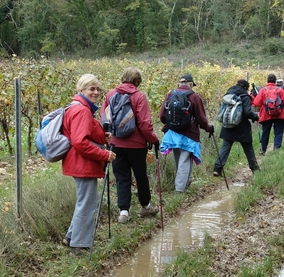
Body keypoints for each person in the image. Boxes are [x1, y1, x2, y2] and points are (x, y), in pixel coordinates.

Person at [62, 74, 115, 256]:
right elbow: (80, 142)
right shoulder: (82, 111)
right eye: (91, 88)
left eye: (97, 89)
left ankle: (71, 237)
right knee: (87, 205)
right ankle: (79, 247)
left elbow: (84, 135)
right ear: (81, 89)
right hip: (83, 164)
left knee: (83, 202)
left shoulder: (79, 107)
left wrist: (101, 137)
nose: (95, 92)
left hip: (81, 163)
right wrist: (104, 154)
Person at [102, 67, 159, 223]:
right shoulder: (139, 96)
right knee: (141, 176)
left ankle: (124, 212)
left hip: (115, 144)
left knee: (121, 178)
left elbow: (104, 120)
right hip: (136, 146)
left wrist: (107, 140)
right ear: (138, 81)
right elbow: (145, 124)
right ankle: (146, 206)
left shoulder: (110, 95)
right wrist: (154, 140)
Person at [158, 73, 213, 193]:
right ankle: (180, 189)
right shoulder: (194, 97)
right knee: (185, 161)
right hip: (189, 134)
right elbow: (201, 119)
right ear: (190, 84)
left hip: (172, 134)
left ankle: (182, 184)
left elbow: (162, 115)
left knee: (178, 159)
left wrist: (169, 125)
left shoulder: (170, 94)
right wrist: (208, 128)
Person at [213, 79, 260, 176]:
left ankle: (217, 169)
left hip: (228, 125)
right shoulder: (244, 96)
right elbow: (247, 112)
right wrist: (256, 116)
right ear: (245, 87)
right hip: (242, 126)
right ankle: (255, 169)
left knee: (225, 147)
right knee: (248, 148)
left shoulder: (229, 93)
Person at [251, 73, 284, 155]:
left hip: (266, 114)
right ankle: (276, 149)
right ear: (275, 81)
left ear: (267, 80)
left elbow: (256, 102)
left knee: (265, 132)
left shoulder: (263, 90)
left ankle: (263, 150)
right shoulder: (279, 90)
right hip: (279, 115)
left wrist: (264, 106)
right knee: (278, 132)